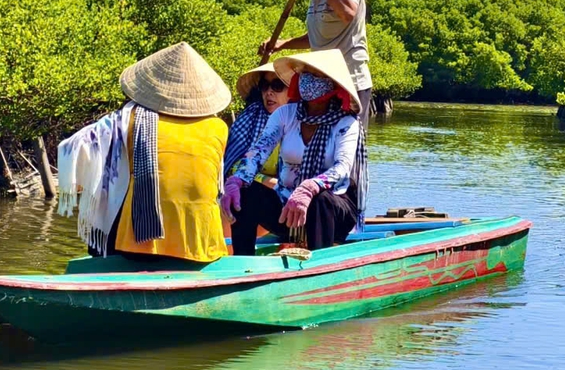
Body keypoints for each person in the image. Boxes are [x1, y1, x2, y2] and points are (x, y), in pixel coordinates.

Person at [56, 42, 233, 266]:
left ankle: (105, 263)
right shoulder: (219, 127)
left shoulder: (126, 119)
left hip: (141, 244)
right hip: (202, 243)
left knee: (111, 192)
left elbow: (71, 148)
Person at [262, 0, 371, 208]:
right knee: (311, 146)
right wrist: (283, 44)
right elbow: (317, 35)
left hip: (349, 82)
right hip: (319, 82)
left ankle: (345, 214)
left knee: (345, 155)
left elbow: (347, 13)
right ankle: (301, 206)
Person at [223, 50, 363, 255]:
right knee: (245, 193)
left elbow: (342, 167)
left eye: (316, 76)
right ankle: (243, 261)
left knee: (320, 199)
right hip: (286, 206)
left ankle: (319, 263)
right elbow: (259, 151)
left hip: (332, 209)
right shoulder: (285, 114)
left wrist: (310, 187)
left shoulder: (346, 122)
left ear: (331, 85)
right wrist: (238, 179)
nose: (308, 80)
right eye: (305, 74)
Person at [224, 61, 289, 187]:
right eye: (264, 86)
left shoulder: (305, 121)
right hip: (252, 189)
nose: (269, 92)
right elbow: (233, 165)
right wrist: (266, 181)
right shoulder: (252, 117)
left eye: (277, 86)